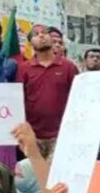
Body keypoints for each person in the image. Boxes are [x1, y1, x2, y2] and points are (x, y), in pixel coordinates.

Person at [18, 24, 78, 159]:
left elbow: (78, 98)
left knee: (55, 177)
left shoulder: (68, 67)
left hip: (61, 135)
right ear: (30, 43)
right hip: (32, 135)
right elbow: (18, 99)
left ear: (51, 38)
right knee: (35, 176)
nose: (41, 35)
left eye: (44, 33)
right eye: (36, 34)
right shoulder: (23, 69)